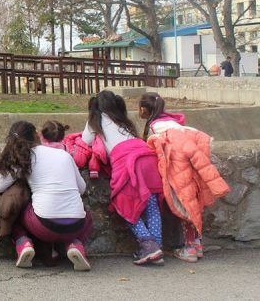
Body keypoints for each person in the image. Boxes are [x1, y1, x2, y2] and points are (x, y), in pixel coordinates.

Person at [139, 92, 230, 262]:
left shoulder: (157, 126)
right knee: (193, 206)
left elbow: (180, 146)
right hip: (189, 168)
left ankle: (189, 249)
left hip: (179, 169)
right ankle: (196, 245)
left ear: (143, 109)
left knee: (185, 208)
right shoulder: (173, 123)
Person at [0, 121, 92, 271]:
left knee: (16, 207)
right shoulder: (64, 154)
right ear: (37, 135)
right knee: (87, 216)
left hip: (43, 226)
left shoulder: (25, 159)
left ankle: (23, 244)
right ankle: (75, 245)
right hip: (75, 226)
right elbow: (81, 188)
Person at [82, 90, 164, 265]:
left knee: (124, 204)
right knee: (151, 203)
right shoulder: (124, 121)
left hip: (128, 161)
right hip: (147, 157)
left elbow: (85, 140)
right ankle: (157, 245)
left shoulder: (96, 120)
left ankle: (148, 245)